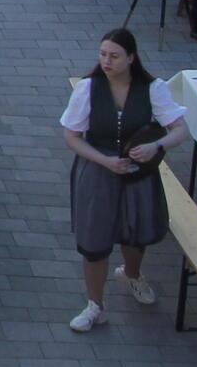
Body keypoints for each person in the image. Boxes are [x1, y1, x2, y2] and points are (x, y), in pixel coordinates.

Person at [61, 29, 189, 333]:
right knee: (94, 239)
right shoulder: (89, 88)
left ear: (131, 58)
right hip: (97, 169)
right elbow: (71, 136)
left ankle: (132, 273)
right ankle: (95, 305)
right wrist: (104, 160)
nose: (107, 61)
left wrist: (156, 146)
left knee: (135, 230)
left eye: (114, 56)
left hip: (137, 172)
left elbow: (180, 130)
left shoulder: (152, 88)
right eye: (103, 54)